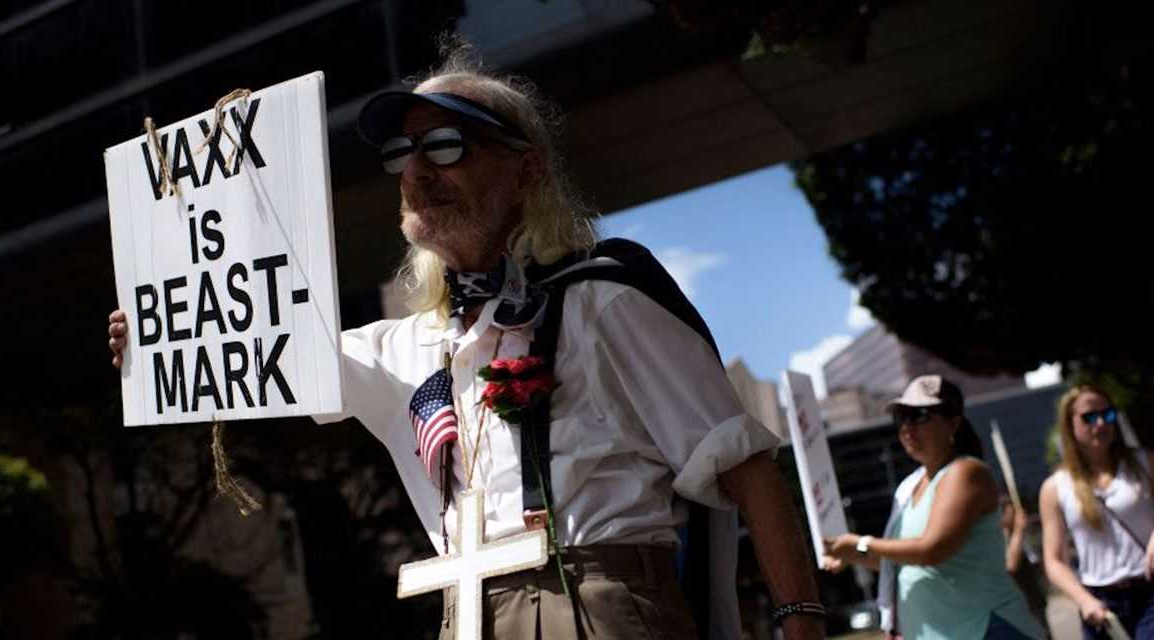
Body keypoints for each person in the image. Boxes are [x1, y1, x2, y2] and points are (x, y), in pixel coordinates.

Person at [108, 46, 822, 640]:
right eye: (402, 153)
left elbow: (744, 463)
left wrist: (801, 621)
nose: (417, 171)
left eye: (447, 145)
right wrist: (156, 333)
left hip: (598, 603)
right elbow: (262, 353)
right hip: (466, 613)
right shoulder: (406, 346)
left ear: (525, 170)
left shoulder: (605, 298)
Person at [822, 374, 1046, 640]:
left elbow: (932, 550)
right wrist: (848, 552)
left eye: (919, 416)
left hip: (985, 630)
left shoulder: (966, 471)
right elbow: (902, 562)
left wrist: (860, 544)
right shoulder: (909, 487)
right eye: (901, 418)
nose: (906, 427)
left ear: (953, 422)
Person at [1038, 384, 1154, 639]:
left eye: (1107, 414)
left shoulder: (1146, 462)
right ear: (1069, 425)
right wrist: (1083, 600)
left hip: (1153, 591)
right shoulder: (1055, 487)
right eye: (1089, 417)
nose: (1100, 423)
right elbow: (1054, 560)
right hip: (1099, 601)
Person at [999, 494, 1049, 633]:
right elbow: (1011, 565)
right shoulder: (1000, 538)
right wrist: (1018, 530)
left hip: (1035, 597)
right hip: (1021, 604)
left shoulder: (1027, 533)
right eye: (1010, 511)